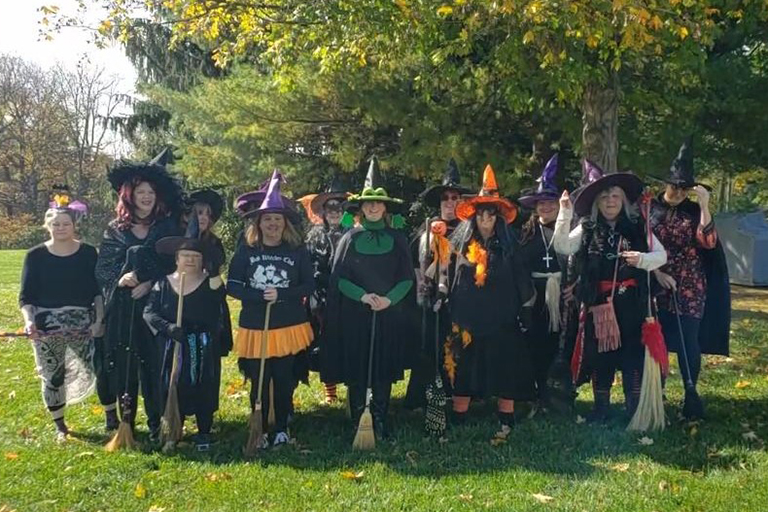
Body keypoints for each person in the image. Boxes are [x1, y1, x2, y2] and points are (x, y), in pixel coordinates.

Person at [553, 161, 667, 422]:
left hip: (633, 306)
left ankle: (634, 409)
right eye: (604, 197)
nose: (610, 201)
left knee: (632, 356)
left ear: (623, 200)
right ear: (597, 203)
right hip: (599, 305)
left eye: (615, 195)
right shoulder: (587, 228)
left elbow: (661, 256)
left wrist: (641, 259)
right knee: (600, 356)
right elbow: (562, 246)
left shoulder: (639, 228)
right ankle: (601, 410)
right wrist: (564, 213)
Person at [322, 157, 416, 440]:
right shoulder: (349, 238)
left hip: (387, 312)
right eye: (368, 204)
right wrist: (363, 296)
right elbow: (339, 279)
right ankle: (358, 415)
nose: (373, 207)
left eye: (378, 203)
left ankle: (380, 415)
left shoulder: (398, 239)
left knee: (382, 368)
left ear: (385, 207)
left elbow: (407, 278)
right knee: (358, 365)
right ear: (361, 208)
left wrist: (389, 300)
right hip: (356, 313)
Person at [95, 156, 183, 441]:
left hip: (157, 307)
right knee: (125, 364)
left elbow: (174, 265)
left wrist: (149, 283)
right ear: (129, 195)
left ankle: (158, 421)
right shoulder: (115, 230)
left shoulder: (166, 228)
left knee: (155, 363)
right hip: (123, 309)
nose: (146, 197)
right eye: (141, 192)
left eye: (151, 192)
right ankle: (127, 421)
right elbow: (104, 269)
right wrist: (120, 280)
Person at [444, 164, 535, 438]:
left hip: (502, 317)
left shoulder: (510, 246)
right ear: (474, 217)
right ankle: (459, 414)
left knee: (505, 364)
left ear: (498, 217)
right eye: (481, 213)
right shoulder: (458, 245)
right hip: (466, 316)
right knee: (464, 365)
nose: (486, 218)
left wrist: (527, 308)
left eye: (491, 213)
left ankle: (506, 415)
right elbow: (445, 276)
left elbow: (522, 280)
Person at [227, 171, 314, 448]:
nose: (273, 224)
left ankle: (283, 425)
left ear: (285, 223)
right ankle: (260, 426)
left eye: (277, 219)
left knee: (284, 377)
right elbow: (232, 285)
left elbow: (308, 285)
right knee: (259, 378)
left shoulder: (297, 251)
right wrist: (256, 295)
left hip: (289, 324)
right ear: (259, 223)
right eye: (268, 219)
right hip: (255, 325)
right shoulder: (246, 251)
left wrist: (282, 294)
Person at [650, 138, 730, 420]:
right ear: (665, 184)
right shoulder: (649, 210)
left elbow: (708, 242)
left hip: (690, 286)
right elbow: (639, 243)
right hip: (655, 282)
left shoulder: (695, 212)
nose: (679, 192)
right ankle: (654, 394)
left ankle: (690, 392)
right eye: (674, 186)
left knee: (688, 340)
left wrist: (705, 205)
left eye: (685, 188)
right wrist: (656, 273)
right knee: (655, 339)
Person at [19, 188, 101, 442]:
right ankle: (60, 425)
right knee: (52, 374)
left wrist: (99, 320)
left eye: (65, 223)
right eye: (55, 224)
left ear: (74, 225)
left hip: (83, 324)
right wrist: (29, 321)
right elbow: (26, 297)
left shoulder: (88, 253)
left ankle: (111, 415)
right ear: (47, 225)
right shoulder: (35, 256)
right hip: (47, 324)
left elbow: (97, 291)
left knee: (92, 368)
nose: (61, 228)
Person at [143, 217, 224, 451]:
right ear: (177, 258)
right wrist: (168, 328)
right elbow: (149, 313)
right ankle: (172, 429)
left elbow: (219, 299)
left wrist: (215, 271)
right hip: (171, 345)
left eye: (196, 257)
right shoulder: (163, 284)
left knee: (204, 384)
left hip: (202, 344)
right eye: (186, 256)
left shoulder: (210, 283)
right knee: (171, 383)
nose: (190, 260)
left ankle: (204, 431)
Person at [404, 157, 470, 409]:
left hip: (461, 297)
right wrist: (421, 284)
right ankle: (424, 397)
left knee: (457, 347)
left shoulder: (469, 229)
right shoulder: (427, 229)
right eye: (446, 198)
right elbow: (413, 261)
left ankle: (458, 396)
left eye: (455, 198)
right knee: (429, 346)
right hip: (431, 300)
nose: (451, 202)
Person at [518, 154, 564, 412]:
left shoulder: (567, 228)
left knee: (558, 342)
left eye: (550, 202)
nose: (546, 207)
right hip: (535, 295)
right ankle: (537, 393)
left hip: (561, 295)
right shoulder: (527, 232)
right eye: (541, 203)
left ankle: (558, 394)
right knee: (536, 343)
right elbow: (520, 265)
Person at [305, 176, 350, 404]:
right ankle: (330, 391)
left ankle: (353, 385)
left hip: (347, 297)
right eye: (330, 207)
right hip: (321, 297)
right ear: (323, 211)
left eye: (339, 207)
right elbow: (309, 265)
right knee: (324, 342)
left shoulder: (353, 234)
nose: (334, 211)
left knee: (348, 341)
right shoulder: (314, 236)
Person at [187, 189, 233, 357]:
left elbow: (217, 270)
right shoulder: (177, 240)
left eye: (208, 214)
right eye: (199, 213)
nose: (204, 217)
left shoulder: (214, 243)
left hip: (209, 301)